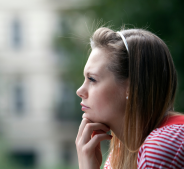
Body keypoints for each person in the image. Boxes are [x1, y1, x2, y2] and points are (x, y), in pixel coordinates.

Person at [75, 27, 184, 169]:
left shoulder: (160, 146)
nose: (80, 91)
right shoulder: (119, 156)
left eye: (92, 79)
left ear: (132, 88)